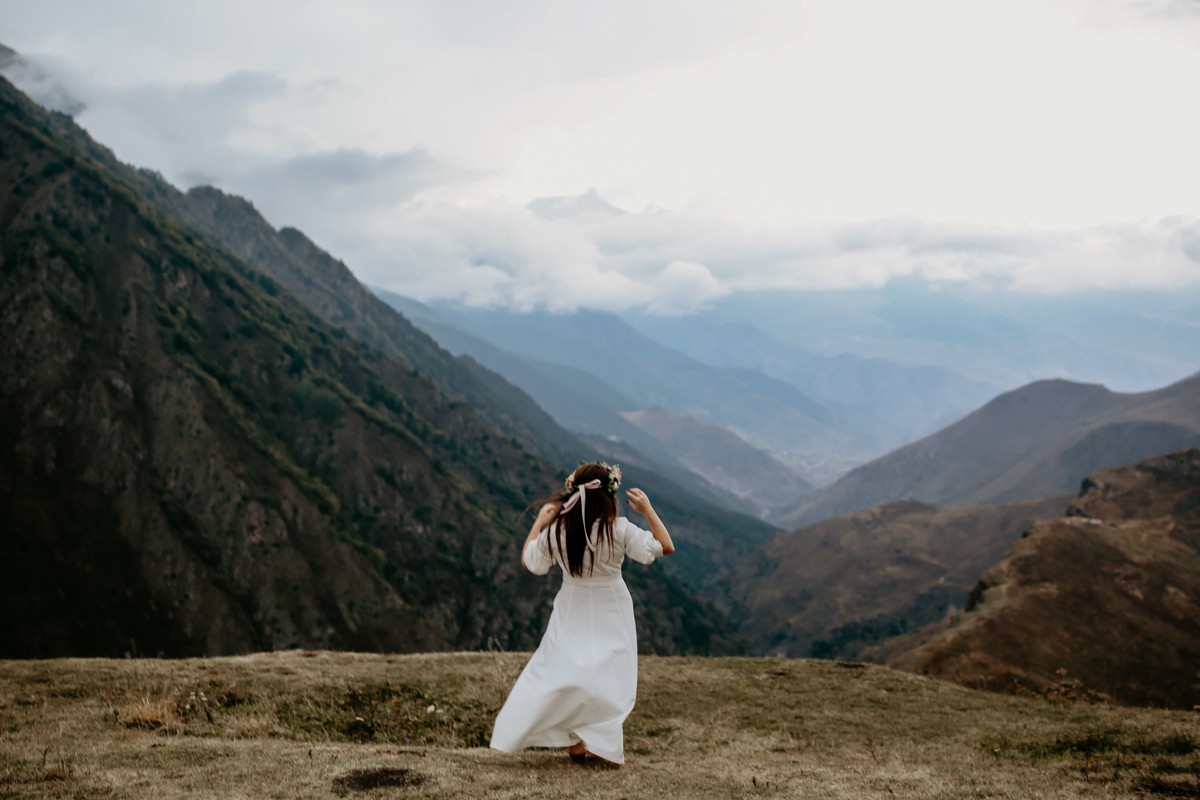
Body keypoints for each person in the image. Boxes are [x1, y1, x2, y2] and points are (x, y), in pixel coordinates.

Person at [489, 461, 675, 766]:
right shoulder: (619, 529)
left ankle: (575, 741)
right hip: (611, 603)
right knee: (608, 673)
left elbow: (530, 561)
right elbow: (664, 546)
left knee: (568, 668)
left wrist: (540, 521)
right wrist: (648, 510)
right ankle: (600, 742)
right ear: (609, 496)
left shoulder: (559, 530)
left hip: (572, 602)